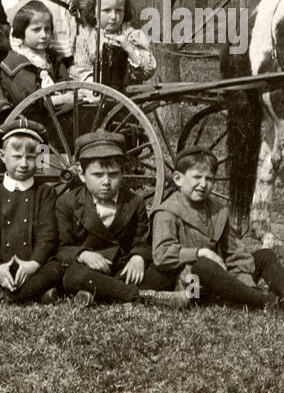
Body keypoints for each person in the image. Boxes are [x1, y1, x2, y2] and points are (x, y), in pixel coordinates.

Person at [152, 149, 284, 311]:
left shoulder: (217, 209)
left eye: (209, 179)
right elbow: (161, 255)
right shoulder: (167, 211)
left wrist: (245, 280)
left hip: (224, 278)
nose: (203, 184)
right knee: (203, 265)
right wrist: (199, 252)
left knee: (264, 255)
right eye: (196, 177)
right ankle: (273, 303)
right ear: (178, 179)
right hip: (192, 285)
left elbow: (234, 250)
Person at [57, 131, 188, 308]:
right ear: (81, 175)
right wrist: (83, 254)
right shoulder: (67, 202)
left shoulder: (134, 202)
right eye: (97, 175)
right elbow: (62, 248)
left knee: (162, 272)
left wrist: (138, 257)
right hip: (88, 269)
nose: (106, 182)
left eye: (113, 174)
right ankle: (139, 296)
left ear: (123, 173)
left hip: (122, 269)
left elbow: (142, 242)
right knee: (74, 276)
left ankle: (99, 293)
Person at [0, 116, 63, 303]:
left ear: (39, 158)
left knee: (55, 271)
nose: (24, 164)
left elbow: (47, 234)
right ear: (2, 156)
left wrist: (33, 264)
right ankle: (34, 296)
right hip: (2, 267)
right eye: (17, 157)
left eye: (31, 157)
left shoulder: (45, 194)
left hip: (33, 268)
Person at [70, 0, 157, 89]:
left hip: (128, 98)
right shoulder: (86, 38)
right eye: (107, 10)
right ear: (93, 11)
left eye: (119, 10)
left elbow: (147, 71)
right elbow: (80, 70)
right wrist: (96, 84)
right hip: (95, 96)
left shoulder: (132, 36)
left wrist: (129, 49)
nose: (113, 17)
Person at [0, 0, 72, 107]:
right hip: (34, 117)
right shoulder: (16, 63)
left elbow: (66, 83)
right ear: (21, 31)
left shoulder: (52, 57)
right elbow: (30, 103)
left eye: (47, 29)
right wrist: (65, 98)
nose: (44, 35)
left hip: (56, 111)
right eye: (36, 30)